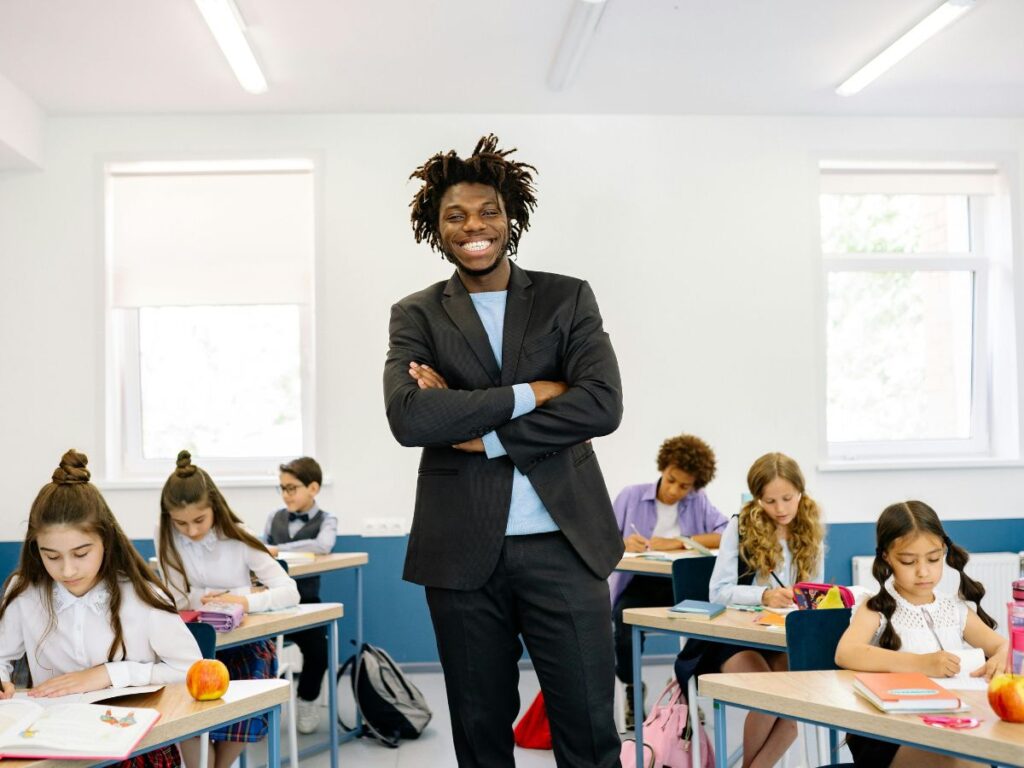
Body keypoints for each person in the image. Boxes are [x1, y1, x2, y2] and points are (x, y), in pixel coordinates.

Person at [383, 135, 624, 767]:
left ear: (509, 217)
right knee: (480, 735)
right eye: (455, 216)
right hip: (462, 554)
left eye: (487, 211)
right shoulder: (416, 313)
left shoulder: (566, 297)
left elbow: (602, 404)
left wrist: (483, 431)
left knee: (591, 732)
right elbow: (410, 418)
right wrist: (537, 391)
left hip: (565, 545)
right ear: (436, 232)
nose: (474, 227)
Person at [0, 449, 201, 768]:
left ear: (106, 540)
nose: (67, 571)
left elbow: (190, 671)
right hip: (53, 744)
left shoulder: (142, 595)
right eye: (51, 556)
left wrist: (107, 674)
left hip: (136, 746)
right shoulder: (25, 592)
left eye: (81, 553)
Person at [678, 451, 823, 768]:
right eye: (770, 501)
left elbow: (815, 591)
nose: (781, 509)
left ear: (801, 492)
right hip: (734, 638)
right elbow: (717, 593)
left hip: (784, 638)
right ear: (757, 499)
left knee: (792, 706)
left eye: (788, 498)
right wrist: (764, 595)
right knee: (771, 698)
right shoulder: (740, 527)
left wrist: (811, 598)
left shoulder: (810, 528)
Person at [835, 500, 1007, 768]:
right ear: (887, 558)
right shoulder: (875, 607)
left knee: (973, 748)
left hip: (950, 722)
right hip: (890, 734)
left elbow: (1002, 646)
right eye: (908, 561)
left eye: (933, 559)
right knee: (962, 754)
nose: (923, 571)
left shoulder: (954, 609)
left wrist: (1001, 657)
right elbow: (846, 652)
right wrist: (920, 664)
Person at [157, 450, 299, 768]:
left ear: (215, 509)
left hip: (244, 645)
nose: (191, 531)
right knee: (181, 704)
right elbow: (177, 599)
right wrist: (211, 595)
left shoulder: (240, 536)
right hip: (194, 644)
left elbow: (290, 592)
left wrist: (245, 599)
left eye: (199, 520)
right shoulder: (165, 535)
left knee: (246, 686)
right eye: (181, 523)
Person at [609, 433, 727, 729]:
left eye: (685, 486)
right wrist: (623, 543)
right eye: (671, 479)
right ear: (663, 468)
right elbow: (602, 538)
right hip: (639, 584)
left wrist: (679, 542)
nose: (675, 490)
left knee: (705, 629)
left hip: (680, 586)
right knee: (622, 627)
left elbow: (726, 533)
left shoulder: (698, 501)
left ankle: (684, 689)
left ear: (695, 485)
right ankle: (633, 687)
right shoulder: (630, 496)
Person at [262, 456, 337, 734]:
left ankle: (307, 698)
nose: (285, 494)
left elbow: (323, 545)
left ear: (313, 488)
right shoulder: (274, 517)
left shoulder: (327, 520)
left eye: (291, 488)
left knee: (318, 652)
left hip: (306, 603)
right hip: (272, 603)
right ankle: (259, 707)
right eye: (282, 488)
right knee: (256, 650)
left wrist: (279, 550)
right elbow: (260, 548)